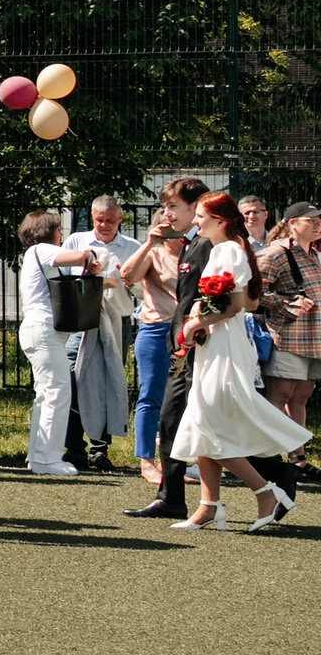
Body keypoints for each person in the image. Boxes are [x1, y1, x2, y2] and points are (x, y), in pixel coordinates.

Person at [166, 191, 304, 530]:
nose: (196, 221)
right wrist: (201, 316)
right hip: (219, 342)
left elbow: (234, 305)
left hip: (223, 345)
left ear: (219, 220)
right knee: (201, 420)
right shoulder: (230, 249)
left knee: (209, 422)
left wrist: (195, 324)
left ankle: (265, 491)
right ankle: (209, 506)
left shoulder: (227, 250)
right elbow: (248, 303)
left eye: (200, 216)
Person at [120, 180, 198, 491]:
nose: (169, 223)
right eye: (164, 218)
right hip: (155, 329)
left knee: (184, 399)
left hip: (187, 332)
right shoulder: (153, 252)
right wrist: (149, 243)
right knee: (151, 396)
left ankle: (175, 462)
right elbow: (127, 277)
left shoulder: (195, 250)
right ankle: (146, 461)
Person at [61, 197, 138, 471]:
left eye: (110, 220)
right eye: (99, 220)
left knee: (108, 380)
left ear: (120, 219)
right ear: (92, 217)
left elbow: (140, 287)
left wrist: (126, 281)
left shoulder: (132, 247)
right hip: (81, 321)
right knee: (72, 380)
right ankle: (74, 448)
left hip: (117, 321)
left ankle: (100, 450)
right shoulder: (76, 241)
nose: (104, 225)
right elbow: (63, 278)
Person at [15, 211, 92, 477]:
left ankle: (39, 455)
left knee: (47, 393)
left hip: (43, 331)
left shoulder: (36, 254)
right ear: (50, 231)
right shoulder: (42, 249)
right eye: (59, 230)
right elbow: (79, 256)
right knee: (57, 392)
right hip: (43, 330)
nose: (62, 235)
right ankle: (47, 459)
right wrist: (91, 256)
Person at [256, 202, 321, 432]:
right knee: (280, 395)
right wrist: (289, 303)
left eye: (319, 220)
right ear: (292, 224)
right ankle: (270, 450)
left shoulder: (313, 253)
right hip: (287, 338)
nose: (318, 224)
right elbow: (254, 293)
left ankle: (297, 451)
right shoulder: (274, 254)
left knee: (301, 397)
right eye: (311, 220)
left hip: (313, 339)